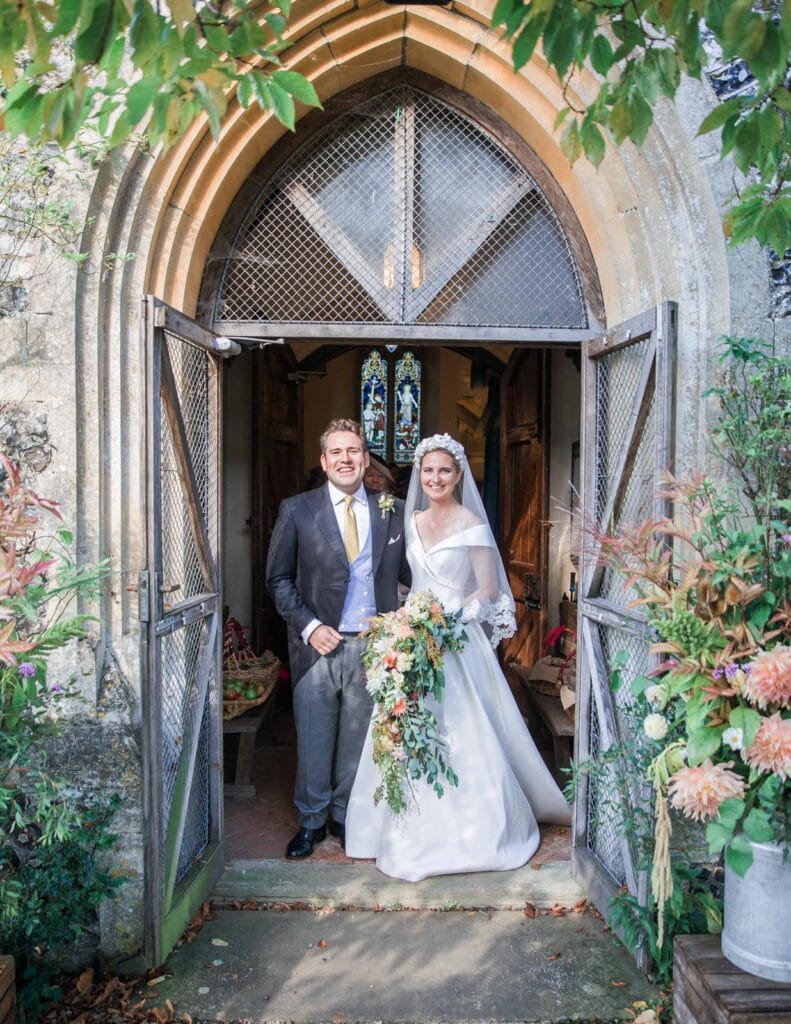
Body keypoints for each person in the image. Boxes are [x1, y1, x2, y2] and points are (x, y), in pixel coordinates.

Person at [346, 433, 572, 881]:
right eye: (428, 470)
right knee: (404, 727)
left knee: (465, 732)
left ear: (458, 475)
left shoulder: (471, 523)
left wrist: (447, 623)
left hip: (455, 640)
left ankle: (477, 834)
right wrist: (407, 618)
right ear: (420, 475)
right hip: (414, 637)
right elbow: (410, 580)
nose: (435, 478)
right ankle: (396, 828)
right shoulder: (409, 521)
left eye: (444, 470)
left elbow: (486, 591)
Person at [266, 418, 410, 859]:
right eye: (336, 452)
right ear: (324, 461)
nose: (345, 459)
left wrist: (400, 619)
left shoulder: (394, 509)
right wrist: (310, 627)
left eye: (354, 451)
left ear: (365, 460)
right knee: (313, 738)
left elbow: (410, 577)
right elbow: (278, 579)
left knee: (357, 741)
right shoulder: (298, 510)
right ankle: (311, 822)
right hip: (317, 647)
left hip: (373, 646)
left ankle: (347, 818)